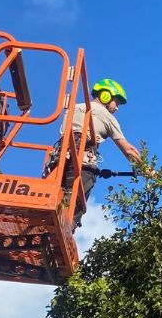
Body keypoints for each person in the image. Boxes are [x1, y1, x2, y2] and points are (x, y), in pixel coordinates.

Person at [56, 77, 144, 221]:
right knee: (72, 210)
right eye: (117, 102)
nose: (117, 108)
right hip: (82, 165)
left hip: (58, 161)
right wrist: (146, 169)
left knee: (56, 200)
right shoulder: (106, 116)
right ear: (105, 96)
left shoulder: (73, 108)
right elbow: (129, 150)